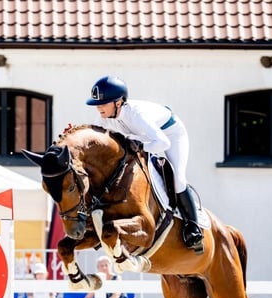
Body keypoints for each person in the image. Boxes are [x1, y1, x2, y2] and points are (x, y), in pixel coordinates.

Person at [86, 75, 203, 253]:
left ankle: (193, 227)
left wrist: (141, 145)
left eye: (103, 103)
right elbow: (95, 139)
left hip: (170, 135)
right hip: (143, 136)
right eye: (97, 103)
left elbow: (163, 143)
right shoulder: (104, 116)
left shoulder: (136, 114)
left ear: (118, 102)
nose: (98, 107)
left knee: (178, 178)